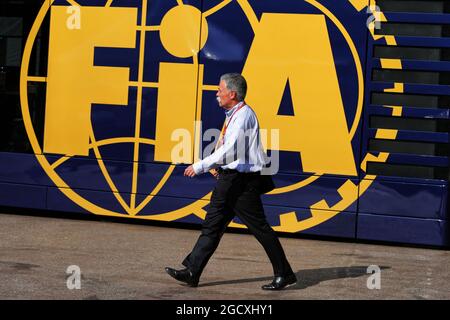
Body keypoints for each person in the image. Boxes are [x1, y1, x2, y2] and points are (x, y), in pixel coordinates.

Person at [165, 73, 296, 290]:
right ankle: (192, 272)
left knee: (260, 228)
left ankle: (285, 273)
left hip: (242, 182)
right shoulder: (233, 114)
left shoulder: (243, 116)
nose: (217, 94)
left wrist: (201, 166)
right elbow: (228, 147)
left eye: (220, 90)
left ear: (232, 94)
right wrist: (219, 166)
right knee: (212, 226)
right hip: (230, 179)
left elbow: (231, 150)